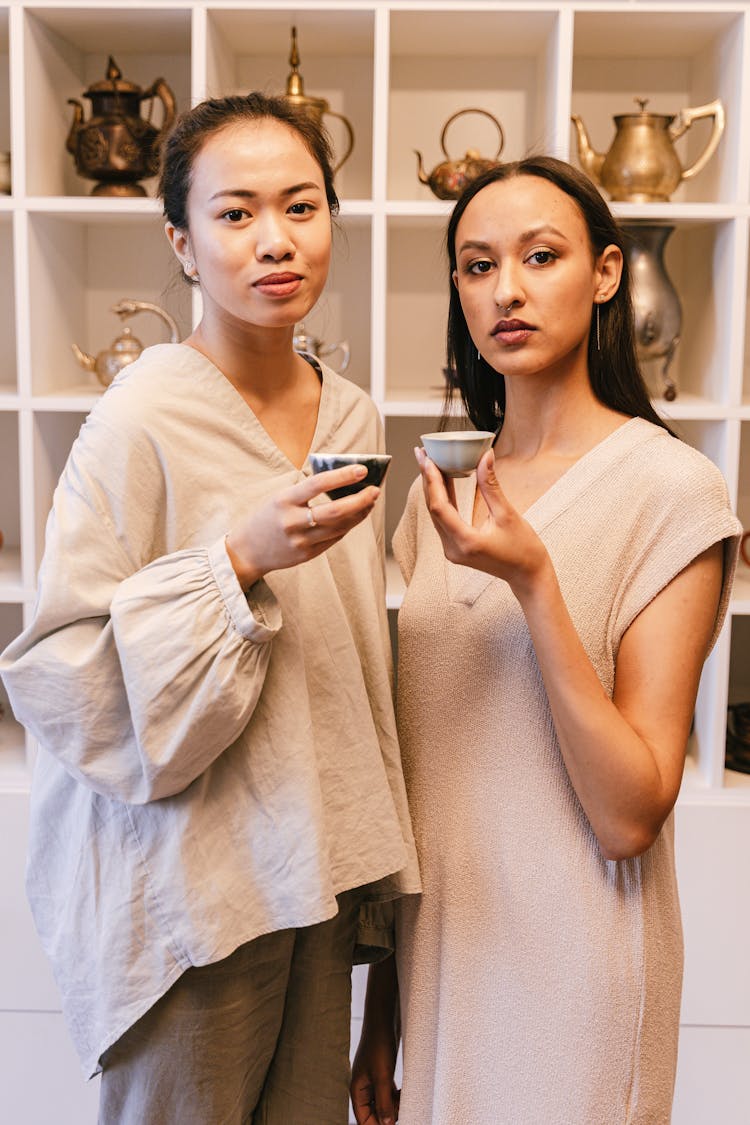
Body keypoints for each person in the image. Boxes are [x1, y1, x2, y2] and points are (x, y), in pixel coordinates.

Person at [0, 92, 419, 1125]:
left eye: (303, 206)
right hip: (191, 889)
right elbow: (56, 669)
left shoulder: (355, 415)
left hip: (317, 864)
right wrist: (234, 561)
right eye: (235, 215)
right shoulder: (136, 418)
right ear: (183, 245)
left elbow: (354, 648)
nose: (276, 239)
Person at [351, 156, 741, 1125]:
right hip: (447, 965)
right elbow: (433, 776)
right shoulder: (436, 498)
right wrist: (384, 1011)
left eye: (541, 256)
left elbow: (629, 815)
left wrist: (534, 581)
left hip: (578, 980)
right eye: (478, 266)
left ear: (607, 273)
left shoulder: (672, 493)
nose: (507, 290)